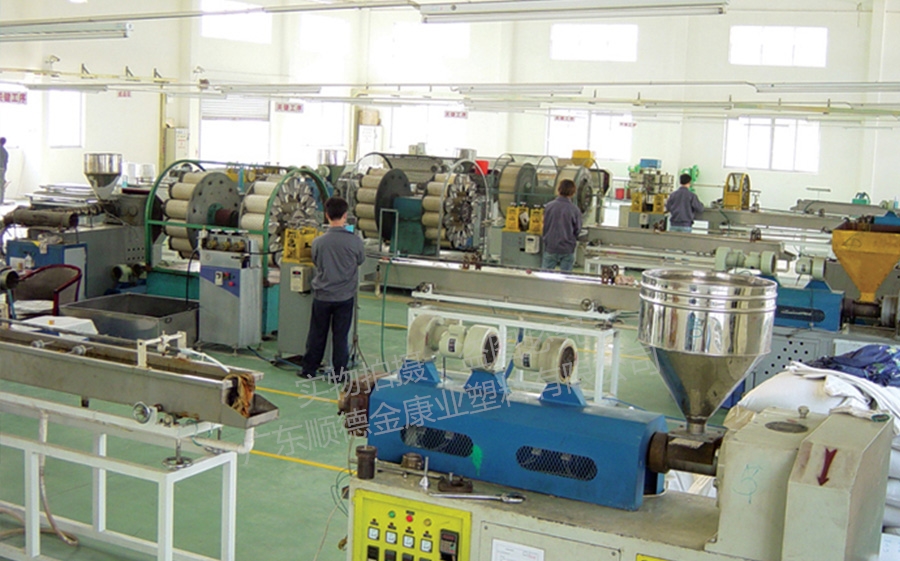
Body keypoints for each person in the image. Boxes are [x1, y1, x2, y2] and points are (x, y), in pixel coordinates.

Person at [301, 197, 366, 382]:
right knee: (340, 336)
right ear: (345, 216)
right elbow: (360, 260)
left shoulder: (318, 242)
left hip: (322, 296)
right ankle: (339, 374)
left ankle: (309, 369)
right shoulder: (355, 242)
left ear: (327, 215)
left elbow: (316, 261)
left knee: (317, 334)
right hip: (344, 297)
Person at [541, 178, 581, 272]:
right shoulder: (574, 210)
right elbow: (578, 229)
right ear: (573, 193)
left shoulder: (549, 206)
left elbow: (544, 224)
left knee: (545, 276)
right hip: (567, 248)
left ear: (558, 190)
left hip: (551, 246)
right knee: (565, 276)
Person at [0, 137, 8, 205]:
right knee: (1, 186)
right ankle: (1, 200)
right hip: (2, 169)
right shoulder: (5, 152)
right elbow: (5, 162)